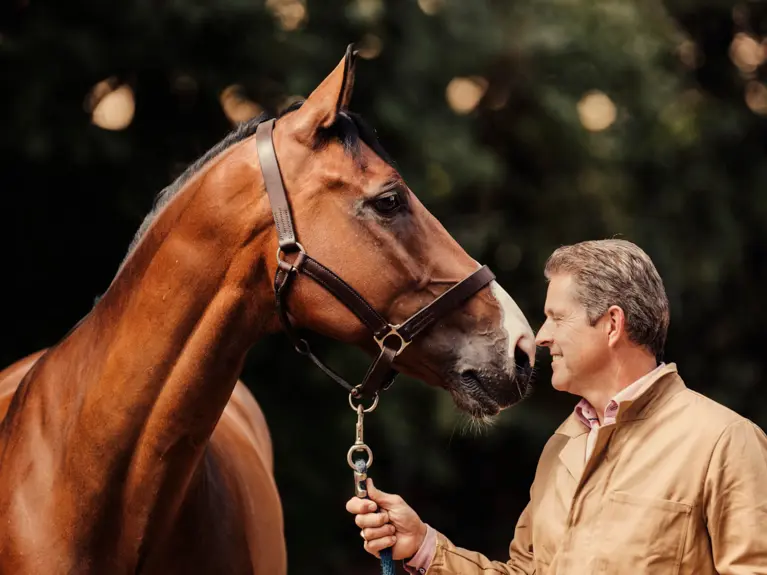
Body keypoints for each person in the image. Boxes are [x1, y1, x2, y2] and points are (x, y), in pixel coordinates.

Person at [346, 239, 767, 574]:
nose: (542, 336)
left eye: (557, 317)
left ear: (612, 325)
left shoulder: (725, 443)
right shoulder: (562, 446)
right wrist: (422, 546)